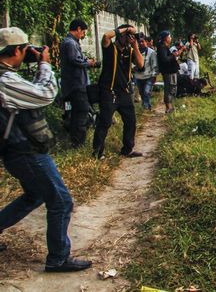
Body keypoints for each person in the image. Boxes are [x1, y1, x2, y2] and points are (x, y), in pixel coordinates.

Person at [0, 27, 92, 272]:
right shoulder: (5, 80)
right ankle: (58, 258)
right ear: (17, 50)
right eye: (25, 49)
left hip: (16, 150)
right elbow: (45, 94)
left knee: (35, 195)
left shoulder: (7, 76)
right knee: (61, 201)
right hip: (26, 151)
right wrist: (44, 65)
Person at [91, 24, 144, 159]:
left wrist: (135, 46)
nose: (130, 38)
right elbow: (106, 36)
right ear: (121, 35)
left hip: (124, 91)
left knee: (130, 120)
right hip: (109, 91)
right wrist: (125, 30)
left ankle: (128, 149)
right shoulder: (110, 48)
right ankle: (98, 151)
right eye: (128, 35)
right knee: (105, 122)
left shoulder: (130, 51)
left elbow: (141, 64)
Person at [59, 19, 96, 148]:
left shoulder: (71, 42)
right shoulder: (70, 43)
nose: (83, 35)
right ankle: (78, 143)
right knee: (81, 112)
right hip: (76, 84)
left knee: (76, 113)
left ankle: (75, 140)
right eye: (83, 32)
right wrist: (89, 63)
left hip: (74, 84)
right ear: (79, 29)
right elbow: (75, 61)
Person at [156, 31, 180, 114]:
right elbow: (165, 59)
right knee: (169, 88)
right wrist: (173, 55)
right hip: (168, 72)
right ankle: (168, 107)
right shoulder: (162, 47)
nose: (170, 38)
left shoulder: (164, 46)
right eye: (169, 37)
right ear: (166, 38)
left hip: (171, 71)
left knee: (172, 88)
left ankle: (170, 106)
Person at [134, 33, 158, 111]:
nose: (141, 43)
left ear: (146, 42)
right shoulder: (134, 52)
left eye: (142, 41)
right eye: (139, 42)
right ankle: (147, 105)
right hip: (138, 76)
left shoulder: (152, 52)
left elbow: (154, 65)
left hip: (149, 76)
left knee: (146, 92)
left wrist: (154, 76)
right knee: (142, 93)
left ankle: (146, 107)